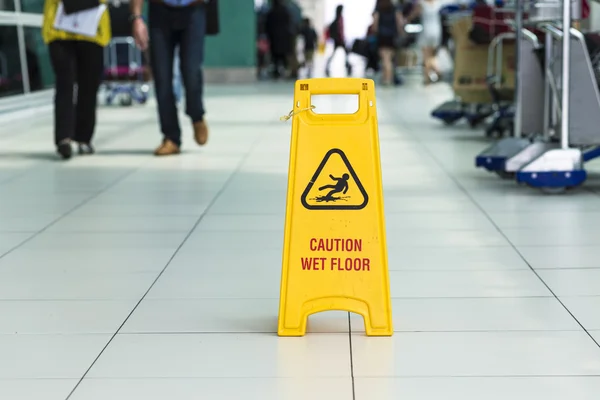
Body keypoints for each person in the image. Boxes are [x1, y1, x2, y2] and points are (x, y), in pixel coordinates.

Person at [130, 0, 211, 156]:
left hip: (193, 9)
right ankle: (171, 137)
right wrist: (136, 18)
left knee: (191, 70)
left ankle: (196, 114)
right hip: (160, 10)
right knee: (162, 76)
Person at [42, 0, 111, 159]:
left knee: (89, 85)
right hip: (58, 27)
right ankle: (63, 139)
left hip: (93, 29)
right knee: (64, 82)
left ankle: (83, 138)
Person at [407, 0, 443, 84]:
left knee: (426, 57)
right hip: (437, 30)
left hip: (426, 30)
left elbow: (414, 14)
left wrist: (407, 19)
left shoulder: (421, 3)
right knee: (433, 55)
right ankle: (438, 71)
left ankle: (427, 78)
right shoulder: (438, 3)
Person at [372, 0, 404, 86]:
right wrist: (400, 33)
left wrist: (375, 32)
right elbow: (399, 22)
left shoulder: (379, 8)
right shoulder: (394, 8)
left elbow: (375, 24)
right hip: (392, 36)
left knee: (385, 59)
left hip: (382, 36)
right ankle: (387, 78)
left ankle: (387, 79)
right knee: (390, 59)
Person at [265, 0, 292, 79]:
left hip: (274, 38)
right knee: (284, 57)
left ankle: (276, 72)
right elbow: (289, 23)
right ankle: (286, 71)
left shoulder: (271, 12)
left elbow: (267, 26)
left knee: (275, 57)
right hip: (284, 38)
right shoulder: (286, 11)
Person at [325, 5, 351, 77]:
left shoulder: (336, 19)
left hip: (337, 40)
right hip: (340, 40)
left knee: (338, 54)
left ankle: (327, 66)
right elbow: (341, 30)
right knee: (346, 53)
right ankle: (348, 66)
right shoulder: (340, 18)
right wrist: (342, 39)